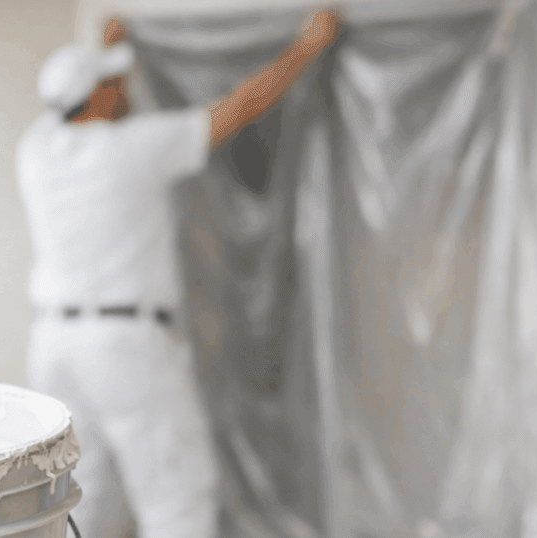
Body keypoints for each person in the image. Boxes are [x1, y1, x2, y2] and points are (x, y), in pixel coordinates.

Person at [17, 10, 340, 538]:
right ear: (96, 97)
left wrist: (106, 49)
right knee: (177, 499)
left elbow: (73, 101)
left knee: (76, 497)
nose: (125, 90)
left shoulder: (35, 151)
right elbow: (239, 109)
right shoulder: (132, 148)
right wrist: (306, 48)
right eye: (114, 85)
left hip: (53, 348)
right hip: (123, 347)